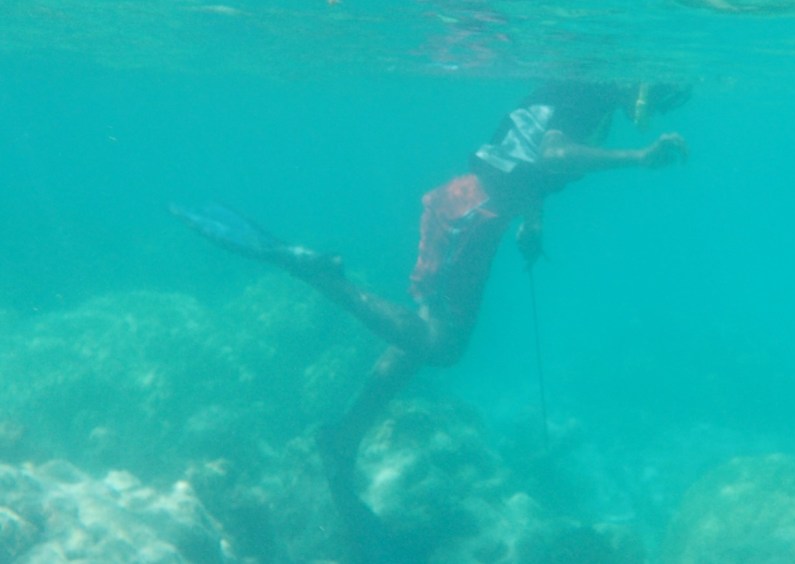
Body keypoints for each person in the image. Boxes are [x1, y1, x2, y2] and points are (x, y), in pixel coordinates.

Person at [172, 80, 688, 562]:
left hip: (477, 213)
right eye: (664, 94)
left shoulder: (588, 95)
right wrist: (638, 158)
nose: (662, 106)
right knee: (443, 345)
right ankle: (320, 276)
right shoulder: (589, 92)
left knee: (419, 341)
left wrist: (533, 220)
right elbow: (550, 153)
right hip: (471, 213)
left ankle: (344, 437)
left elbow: (523, 161)